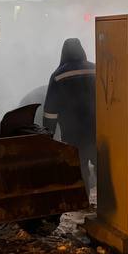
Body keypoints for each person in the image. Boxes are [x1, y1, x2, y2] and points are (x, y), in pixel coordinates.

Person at [42, 38, 97, 188]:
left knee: (79, 170)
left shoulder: (57, 76)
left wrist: (48, 135)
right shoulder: (95, 69)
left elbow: (50, 111)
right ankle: (108, 199)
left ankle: (84, 197)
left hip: (73, 135)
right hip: (97, 131)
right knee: (103, 168)